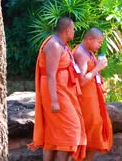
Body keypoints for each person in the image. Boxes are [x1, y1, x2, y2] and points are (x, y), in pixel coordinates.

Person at [28, 17, 86, 161]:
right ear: (67, 30)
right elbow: (50, 75)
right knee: (71, 129)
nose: (74, 31)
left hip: (63, 92)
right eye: (73, 29)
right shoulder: (54, 45)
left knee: (55, 133)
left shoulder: (62, 45)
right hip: (56, 93)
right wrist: (54, 101)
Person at [73, 28, 113, 160]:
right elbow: (82, 81)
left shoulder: (88, 51)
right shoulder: (81, 54)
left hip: (93, 98)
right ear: (89, 39)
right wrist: (97, 68)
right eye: (99, 42)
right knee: (91, 129)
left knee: (96, 128)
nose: (100, 45)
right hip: (85, 100)